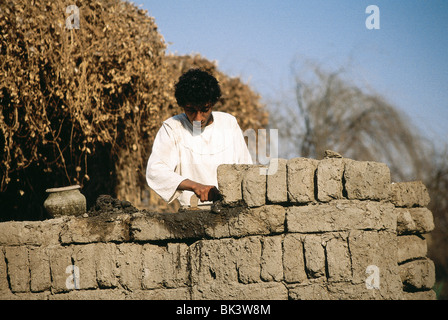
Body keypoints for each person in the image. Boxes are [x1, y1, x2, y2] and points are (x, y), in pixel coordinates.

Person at [146, 68, 253, 208]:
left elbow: (246, 168)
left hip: (231, 211)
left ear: (212, 103)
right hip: (193, 214)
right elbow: (156, 171)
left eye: (204, 109)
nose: (198, 118)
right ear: (183, 106)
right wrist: (194, 186)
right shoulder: (173, 127)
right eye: (191, 110)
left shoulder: (228, 123)